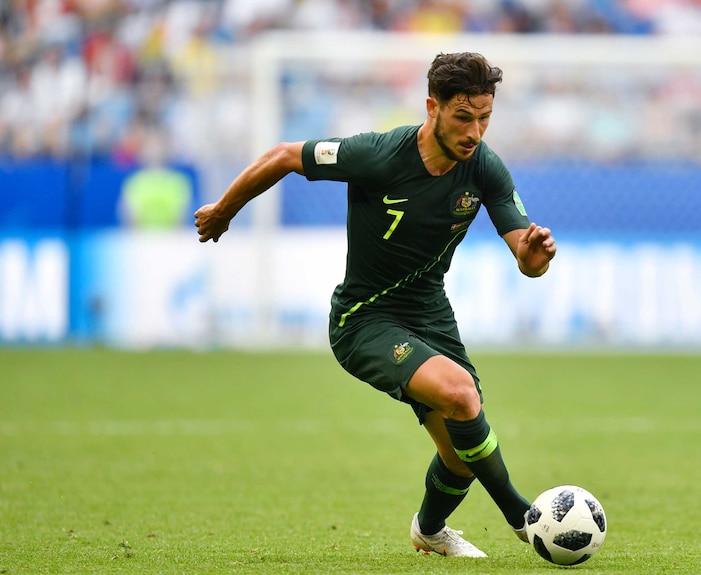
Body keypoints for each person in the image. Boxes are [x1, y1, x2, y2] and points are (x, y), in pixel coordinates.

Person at [193, 52, 556, 558]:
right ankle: (527, 519)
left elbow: (525, 253)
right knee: (461, 396)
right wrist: (224, 211)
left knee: (458, 453)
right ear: (433, 107)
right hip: (363, 319)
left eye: (485, 118)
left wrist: (533, 257)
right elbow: (282, 156)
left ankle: (429, 531)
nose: (475, 132)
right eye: (463, 117)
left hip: (430, 315)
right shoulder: (382, 156)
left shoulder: (485, 168)